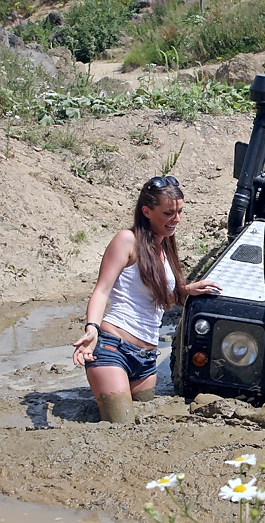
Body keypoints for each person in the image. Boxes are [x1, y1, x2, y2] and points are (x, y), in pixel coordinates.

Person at [72, 176, 222, 423]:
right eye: (168, 213)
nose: (177, 220)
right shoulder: (126, 240)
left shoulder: (165, 246)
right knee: (121, 426)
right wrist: (92, 328)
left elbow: (156, 297)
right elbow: (101, 290)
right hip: (113, 350)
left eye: (180, 212)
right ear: (146, 211)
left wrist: (184, 290)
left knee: (142, 425)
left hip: (147, 361)